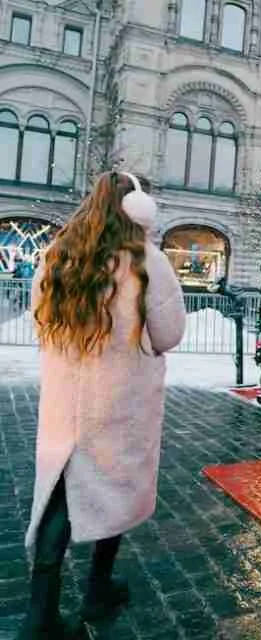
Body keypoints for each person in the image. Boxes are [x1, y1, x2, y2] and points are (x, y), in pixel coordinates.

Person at [20, 172, 186, 639]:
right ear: (136, 208)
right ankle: (97, 589)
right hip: (119, 402)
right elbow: (169, 334)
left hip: (65, 402)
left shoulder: (57, 256)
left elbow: (40, 317)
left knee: (57, 497)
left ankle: (40, 615)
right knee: (114, 486)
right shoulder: (146, 262)